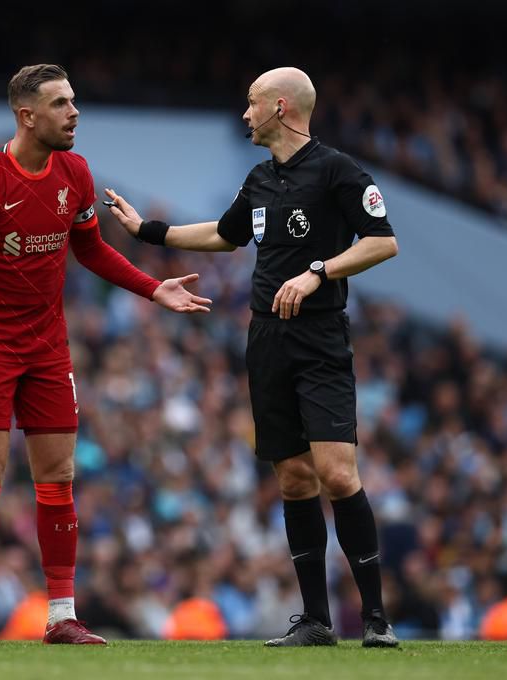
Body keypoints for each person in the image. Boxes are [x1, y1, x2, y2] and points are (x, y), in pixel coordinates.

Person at [105, 67, 400, 648]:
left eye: (251, 104)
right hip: (266, 338)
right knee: (292, 480)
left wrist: (319, 272)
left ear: (281, 108)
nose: (244, 114)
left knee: (337, 473)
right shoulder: (260, 179)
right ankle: (315, 620)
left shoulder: (338, 170)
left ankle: (375, 619)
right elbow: (226, 233)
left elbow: (382, 240)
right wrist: (149, 231)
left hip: (319, 338)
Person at [0, 63, 211, 645]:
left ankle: (61, 616)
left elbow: (93, 251)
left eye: (73, 101)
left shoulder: (74, 173)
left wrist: (154, 288)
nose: (74, 113)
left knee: (58, 478)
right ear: (27, 116)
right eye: (61, 104)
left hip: (48, 344)